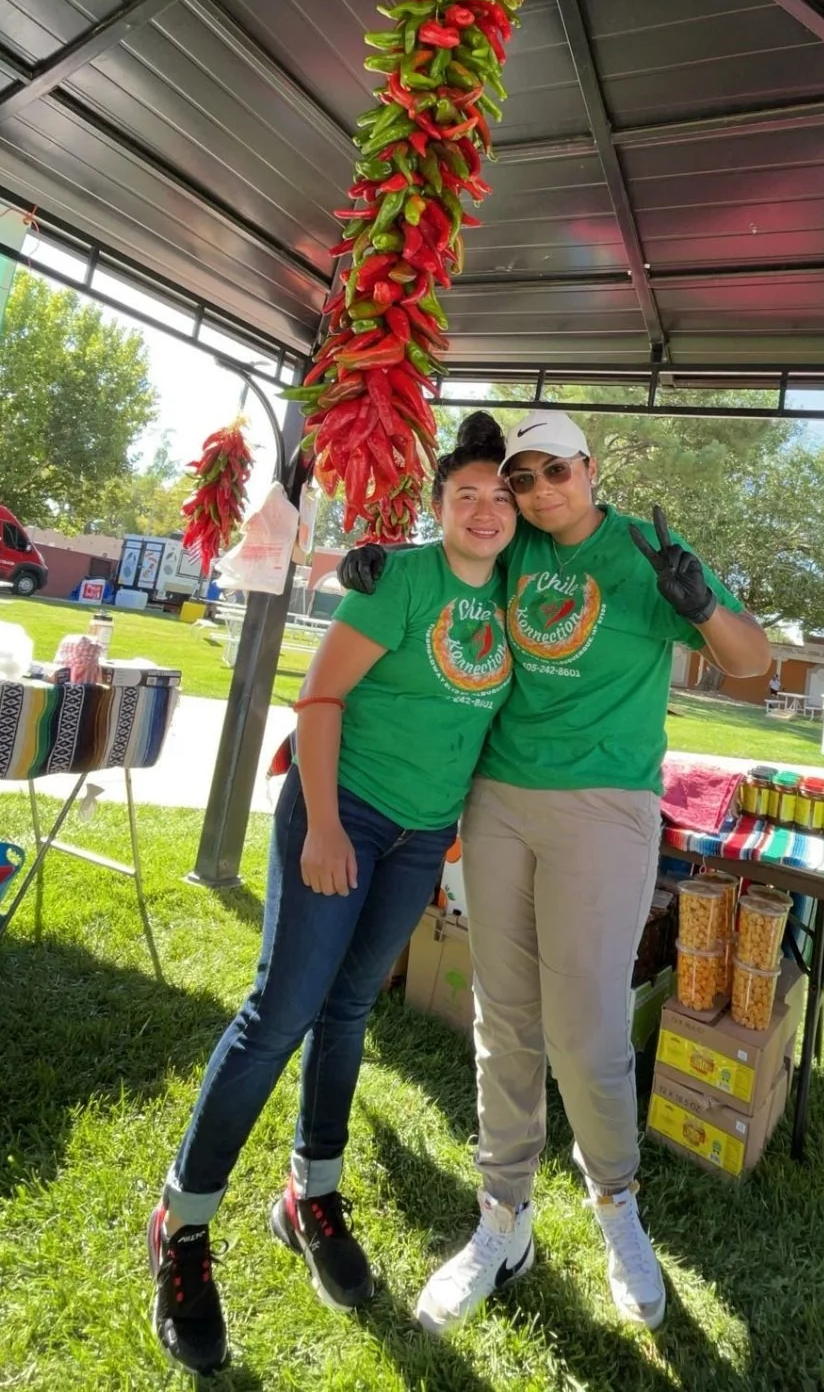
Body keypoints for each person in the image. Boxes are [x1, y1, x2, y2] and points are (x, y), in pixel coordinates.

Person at [342, 410, 771, 1333]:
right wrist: (381, 561)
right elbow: (455, 551)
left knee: (586, 1028)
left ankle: (616, 1203)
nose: (536, 493)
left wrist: (697, 604)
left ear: (590, 467)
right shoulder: (517, 549)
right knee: (505, 1017)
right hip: (496, 801)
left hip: (605, 808)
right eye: (523, 479)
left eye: (552, 473)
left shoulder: (647, 552)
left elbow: (752, 664)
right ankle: (505, 1216)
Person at [147, 414, 516, 1376]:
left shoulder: (517, 595)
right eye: (465, 493)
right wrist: (317, 825)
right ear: (439, 506)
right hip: (340, 812)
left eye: (501, 495)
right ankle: (181, 1226)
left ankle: (309, 1194)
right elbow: (319, 700)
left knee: (350, 1007)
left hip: (419, 839)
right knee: (281, 1012)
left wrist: (442, 841)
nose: (484, 510)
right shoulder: (402, 578)